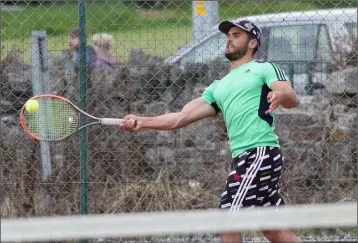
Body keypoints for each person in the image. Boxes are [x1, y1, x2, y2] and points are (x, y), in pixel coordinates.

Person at [120, 19, 301, 243]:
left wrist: (281, 95)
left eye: (236, 35)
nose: (229, 39)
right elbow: (181, 117)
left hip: (259, 152)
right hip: (246, 157)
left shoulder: (263, 68)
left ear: (252, 43)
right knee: (273, 229)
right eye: (228, 36)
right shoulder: (218, 87)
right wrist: (143, 121)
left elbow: (290, 97)